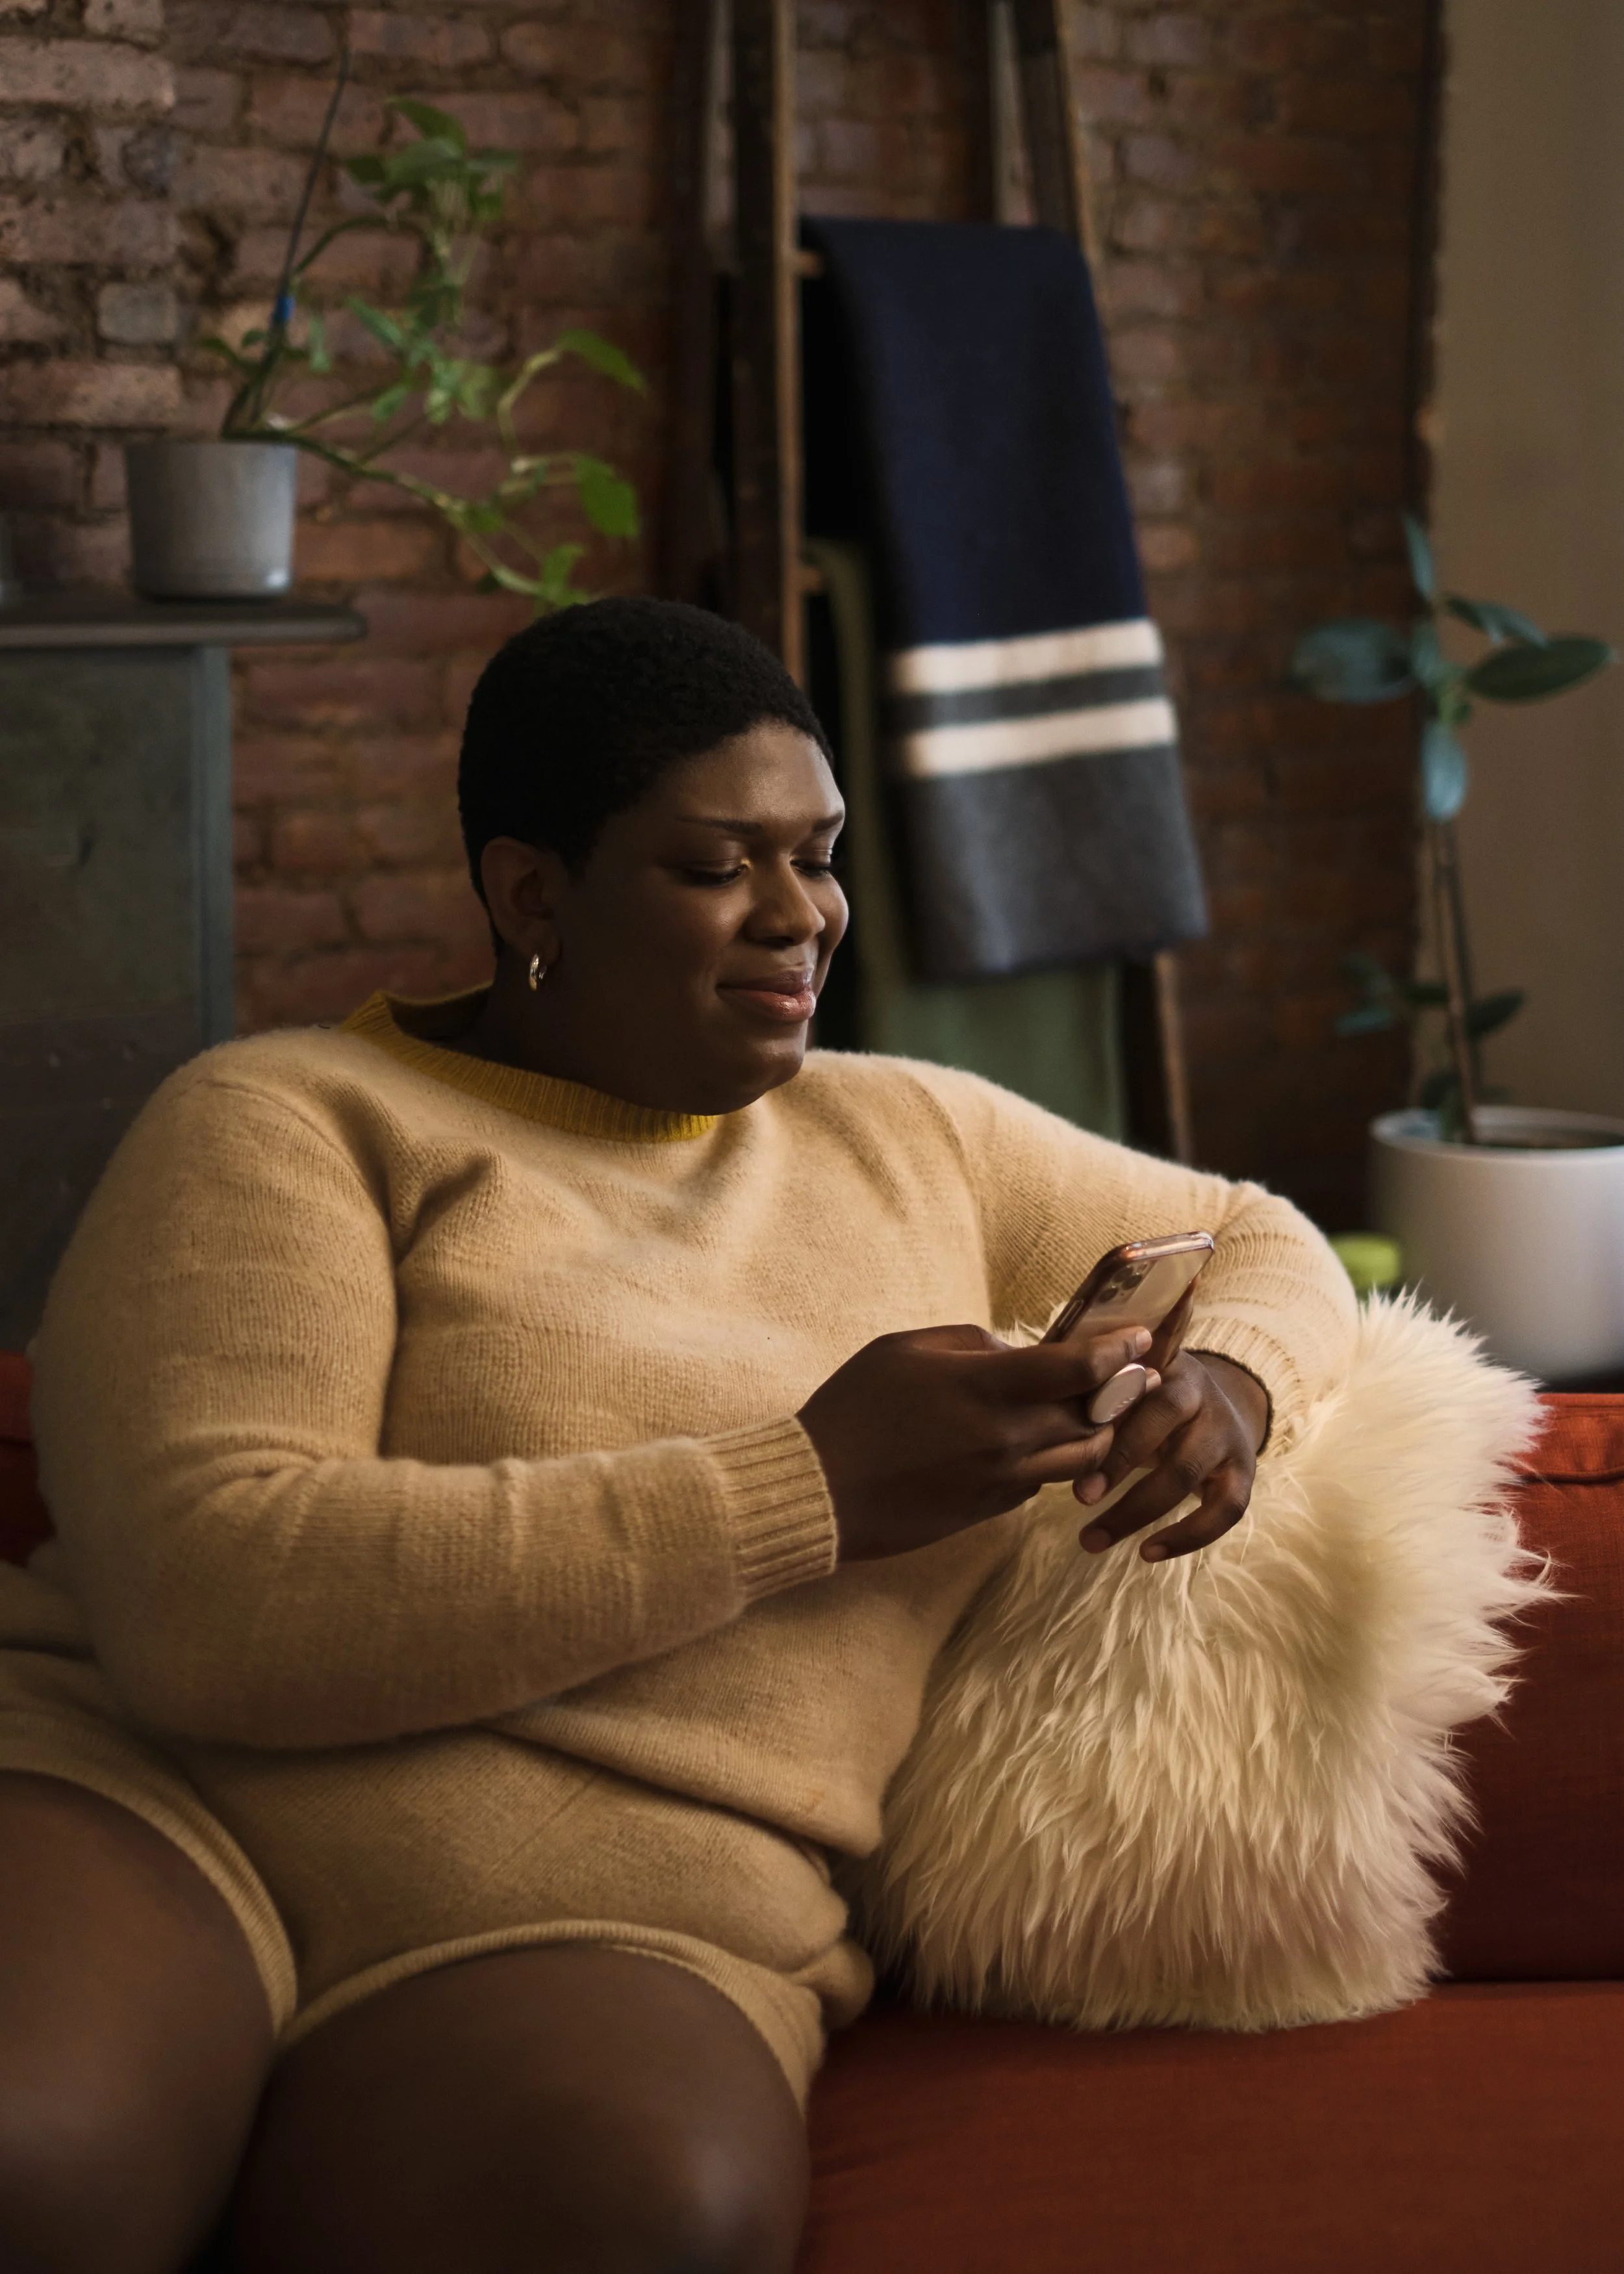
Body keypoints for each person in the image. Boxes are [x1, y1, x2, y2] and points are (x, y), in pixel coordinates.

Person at [0, 599, 1356, 2274]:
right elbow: (212, 1602)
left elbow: (1260, 1232)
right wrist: (815, 1485)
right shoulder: (292, 1120)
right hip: (167, 1818)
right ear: (532, 895)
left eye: (820, 856)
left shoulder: (911, 1132)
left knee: (656, 2212)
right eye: (718, 866)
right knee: (31, 2157)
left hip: (620, 1910)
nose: (803, 916)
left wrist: (1233, 1384)